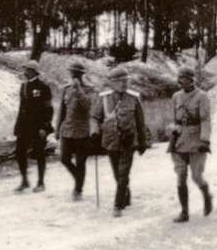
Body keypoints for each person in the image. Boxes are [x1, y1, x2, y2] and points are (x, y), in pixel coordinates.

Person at [90, 67, 147, 217]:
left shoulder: (133, 98)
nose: (124, 84)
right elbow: (95, 117)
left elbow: (141, 123)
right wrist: (94, 131)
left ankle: (118, 204)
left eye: (126, 81)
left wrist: (143, 142)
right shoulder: (104, 98)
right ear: (112, 83)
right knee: (117, 173)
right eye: (120, 81)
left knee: (123, 173)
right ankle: (125, 194)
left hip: (129, 141)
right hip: (110, 141)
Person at [166, 65, 212, 223]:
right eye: (179, 78)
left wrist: (205, 140)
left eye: (184, 78)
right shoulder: (176, 96)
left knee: (196, 176)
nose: (181, 81)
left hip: (196, 141)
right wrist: (171, 128)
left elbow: (205, 120)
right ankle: (184, 212)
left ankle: (206, 194)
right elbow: (173, 118)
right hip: (178, 141)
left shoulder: (202, 96)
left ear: (191, 79)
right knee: (181, 176)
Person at [13, 59, 54, 193]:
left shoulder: (44, 87)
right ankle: (25, 180)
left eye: (28, 70)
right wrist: (17, 127)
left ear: (34, 71)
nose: (25, 72)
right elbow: (22, 108)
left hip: (38, 127)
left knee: (39, 153)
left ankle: (41, 182)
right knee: (20, 152)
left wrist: (44, 126)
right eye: (25, 70)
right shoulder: (23, 87)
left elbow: (48, 109)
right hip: (24, 126)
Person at [56, 60, 94, 201]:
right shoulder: (66, 89)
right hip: (67, 129)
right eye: (71, 72)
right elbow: (62, 110)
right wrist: (57, 129)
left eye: (76, 72)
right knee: (64, 159)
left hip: (82, 131)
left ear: (81, 74)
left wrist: (79, 90)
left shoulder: (89, 89)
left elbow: (88, 106)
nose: (73, 75)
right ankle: (79, 179)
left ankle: (78, 189)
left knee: (80, 161)